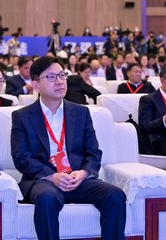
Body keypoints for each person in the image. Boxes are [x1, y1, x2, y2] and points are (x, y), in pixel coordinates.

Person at [11, 56, 126, 240]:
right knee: (47, 198)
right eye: (51, 77)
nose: (59, 81)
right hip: (43, 180)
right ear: (36, 85)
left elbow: (94, 152)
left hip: (77, 179)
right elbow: (21, 156)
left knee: (115, 195)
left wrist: (83, 173)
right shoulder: (22, 116)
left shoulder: (81, 112)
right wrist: (51, 176)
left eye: (62, 75)